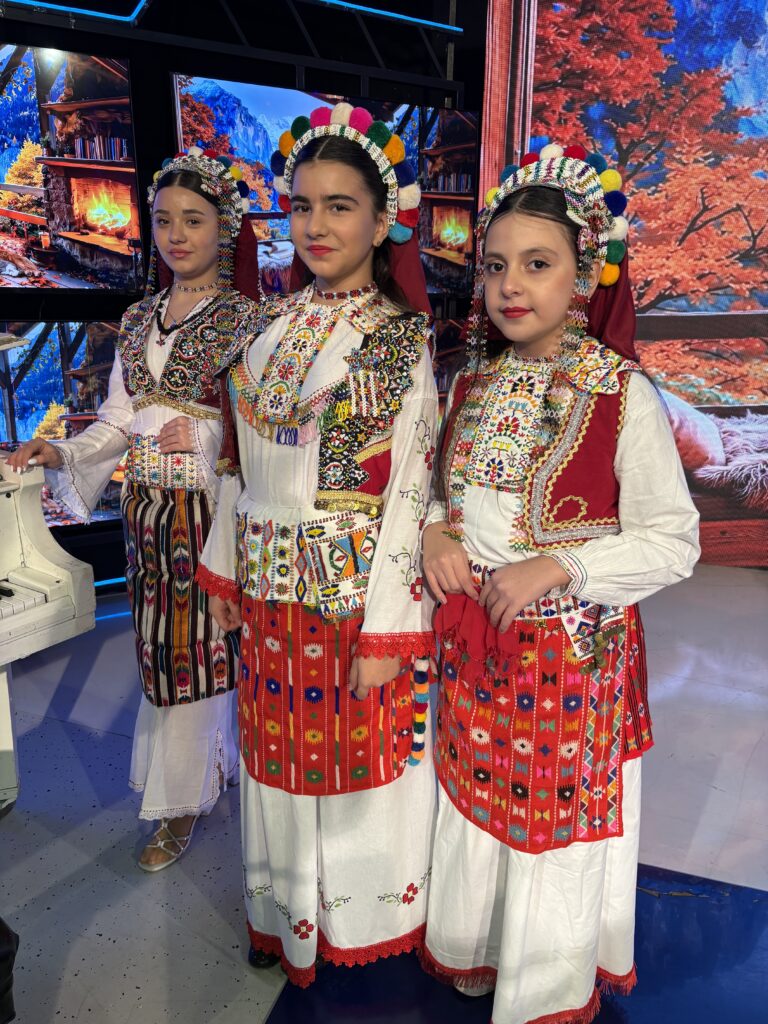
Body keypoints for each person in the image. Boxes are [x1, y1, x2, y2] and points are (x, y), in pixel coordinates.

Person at [420, 145, 700, 1023]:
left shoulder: (622, 394)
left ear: (584, 274)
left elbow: (674, 541)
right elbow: (442, 489)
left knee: (552, 824)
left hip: (570, 665)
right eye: (496, 265)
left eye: (537, 264)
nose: (511, 286)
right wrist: (435, 527)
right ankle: (478, 943)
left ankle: (541, 987)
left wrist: (562, 564)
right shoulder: (470, 383)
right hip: (478, 651)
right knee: (475, 796)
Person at [197, 101, 437, 986]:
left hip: (351, 592)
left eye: (340, 206)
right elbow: (239, 465)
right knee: (276, 756)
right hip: (267, 592)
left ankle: (361, 920)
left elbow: (410, 491)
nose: (316, 225)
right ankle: (284, 916)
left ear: (382, 220)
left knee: (357, 752)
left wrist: (388, 629)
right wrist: (225, 570)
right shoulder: (266, 326)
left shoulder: (398, 340)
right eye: (302, 205)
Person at [8, 146, 260, 871]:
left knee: (198, 654)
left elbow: (269, 428)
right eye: (164, 219)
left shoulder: (248, 321)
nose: (176, 235)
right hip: (146, 513)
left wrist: (209, 435)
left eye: (194, 220)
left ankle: (182, 800)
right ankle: (200, 777)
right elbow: (121, 419)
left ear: (225, 228)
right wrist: (63, 451)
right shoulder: (141, 314)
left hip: (209, 514)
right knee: (160, 653)